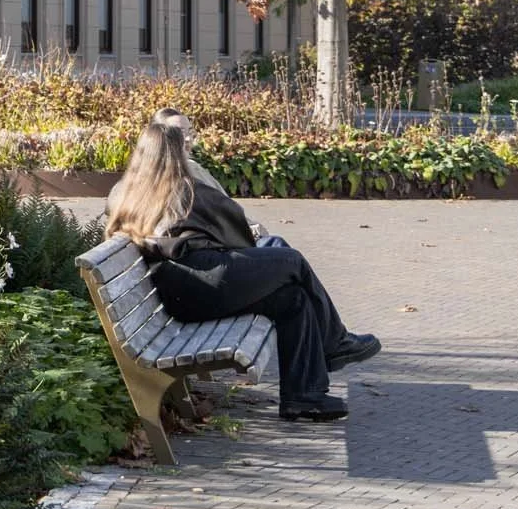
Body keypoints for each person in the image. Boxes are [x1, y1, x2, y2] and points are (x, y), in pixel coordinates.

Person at [105, 108, 379, 422]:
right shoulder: (183, 187)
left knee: (293, 298)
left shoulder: (127, 192)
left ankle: (304, 397)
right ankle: (335, 343)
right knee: (292, 261)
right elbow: (233, 225)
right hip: (201, 283)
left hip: (177, 291)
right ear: (173, 153)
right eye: (182, 144)